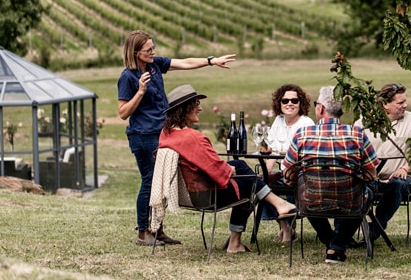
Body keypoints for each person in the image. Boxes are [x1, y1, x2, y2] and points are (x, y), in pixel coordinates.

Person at [117, 30, 236, 247]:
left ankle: (157, 230)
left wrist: (211, 61)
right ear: (135, 52)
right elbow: (123, 112)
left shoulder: (154, 66)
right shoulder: (127, 77)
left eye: (153, 48)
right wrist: (141, 91)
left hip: (162, 133)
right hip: (142, 136)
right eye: (148, 50)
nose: (153, 52)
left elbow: (185, 63)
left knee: (161, 181)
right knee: (150, 181)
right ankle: (144, 233)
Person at [158, 84, 299, 253]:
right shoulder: (193, 137)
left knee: (239, 165)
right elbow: (218, 171)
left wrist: (229, 168)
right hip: (207, 195)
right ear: (185, 108)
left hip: (188, 193)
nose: (200, 108)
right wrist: (228, 170)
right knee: (249, 182)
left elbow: (206, 164)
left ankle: (277, 205)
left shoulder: (166, 134)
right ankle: (239, 239)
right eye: (196, 105)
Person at [282, 86, 378, 264]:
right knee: (367, 194)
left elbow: (287, 172)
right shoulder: (357, 134)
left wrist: (296, 176)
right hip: (350, 202)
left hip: (313, 202)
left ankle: (332, 242)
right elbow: (372, 174)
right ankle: (337, 246)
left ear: (321, 108)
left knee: (304, 195)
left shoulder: (302, 134)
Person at [354, 83, 411, 244]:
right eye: (400, 103)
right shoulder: (364, 122)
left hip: (403, 180)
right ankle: (342, 236)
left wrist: (405, 168)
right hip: (371, 179)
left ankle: (375, 229)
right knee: (349, 185)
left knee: (397, 183)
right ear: (384, 105)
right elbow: (353, 153)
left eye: (405, 101)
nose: (405, 105)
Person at [262, 84, 314, 243]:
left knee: (287, 183)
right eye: (285, 101)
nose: (289, 104)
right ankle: (286, 228)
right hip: (282, 172)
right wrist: (266, 174)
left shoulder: (306, 123)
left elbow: (308, 156)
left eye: (294, 100)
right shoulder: (278, 121)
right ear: (279, 103)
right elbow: (272, 151)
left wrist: (291, 172)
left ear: (300, 103)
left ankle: (288, 227)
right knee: (260, 185)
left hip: (302, 174)